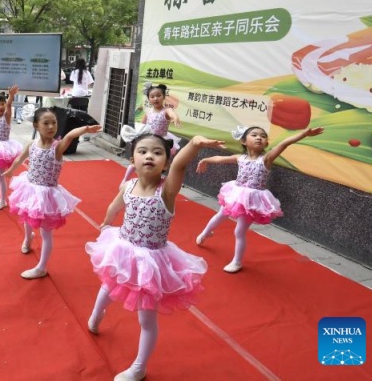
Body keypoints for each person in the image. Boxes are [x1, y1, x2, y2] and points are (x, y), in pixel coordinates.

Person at [86, 129, 224, 381]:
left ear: (166, 162)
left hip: (151, 260)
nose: (149, 156)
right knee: (108, 285)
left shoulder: (167, 191)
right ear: (132, 160)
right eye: (143, 151)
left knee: (146, 319)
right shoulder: (129, 185)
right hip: (122, 248)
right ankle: (96, 316)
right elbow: (116, 205)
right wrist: (107, 222)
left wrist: (194, 143)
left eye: (157, 152)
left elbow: (181, 164)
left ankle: (139, 367)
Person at [195, 125, 324, 273]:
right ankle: (206, 233)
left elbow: (284, 144)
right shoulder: (240, 158)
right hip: (236, 194)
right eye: (254, 135)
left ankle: (237, 262)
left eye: (263, 136)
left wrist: (304, 134)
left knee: (239, 231)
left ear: (266, 143)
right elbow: (221, 159)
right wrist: (206, 159)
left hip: (253, 201)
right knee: (221, 214)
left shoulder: (266, 159)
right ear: (244, 141)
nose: (259, 138)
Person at [4, 108, 101, 279]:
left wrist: (85, 129)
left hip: (46, 195)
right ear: (36, 125)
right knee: (27, 215)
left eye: (54, 123)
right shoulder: (31, 144)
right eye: (46, 123)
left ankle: (41, 267)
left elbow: (70, 135)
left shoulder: (57, 148)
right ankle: (27, 238)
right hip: (29, 187)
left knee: (46, 232)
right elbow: (20, 158)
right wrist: (11, 170)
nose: (51, 127)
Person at [120, 83, 182, 186]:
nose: (155, 98)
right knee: (136, 162)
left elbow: (172, 114)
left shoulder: (166, 110)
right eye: (152, 96)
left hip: (161, 142)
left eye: (158, 95)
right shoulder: (148, 112)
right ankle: (124, 180)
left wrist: (175, 118)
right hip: (148, 140)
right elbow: (142, 126)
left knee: (158, 164)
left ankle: (157, 182)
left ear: (164, 97)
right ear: (149, 99)